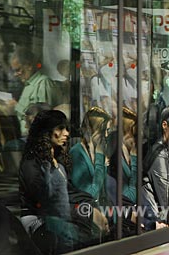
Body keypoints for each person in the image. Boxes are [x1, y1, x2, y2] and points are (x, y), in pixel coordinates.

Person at [18, 110, 79, 253]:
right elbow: (44, 198)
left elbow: (69, 192)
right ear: (46, 131)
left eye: (67, 129)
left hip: (60, 223)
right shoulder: (31, 163)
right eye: (60, 128)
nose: (66, 133)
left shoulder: (59, 161)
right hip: (42, 225)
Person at [70, 107, 113, 207]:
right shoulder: (77, 153)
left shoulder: (99, 150)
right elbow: (88, 194)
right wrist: (100, 162)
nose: (106, 135)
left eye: (108, 131)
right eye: (103, 131)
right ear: (91, 130)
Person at [10, 47, 58, 135]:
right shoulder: (28, 85)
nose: (15, 74)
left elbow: (42, 116)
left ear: (29, 66)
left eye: (18, 70)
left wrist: (16, 106)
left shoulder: (42, 83)